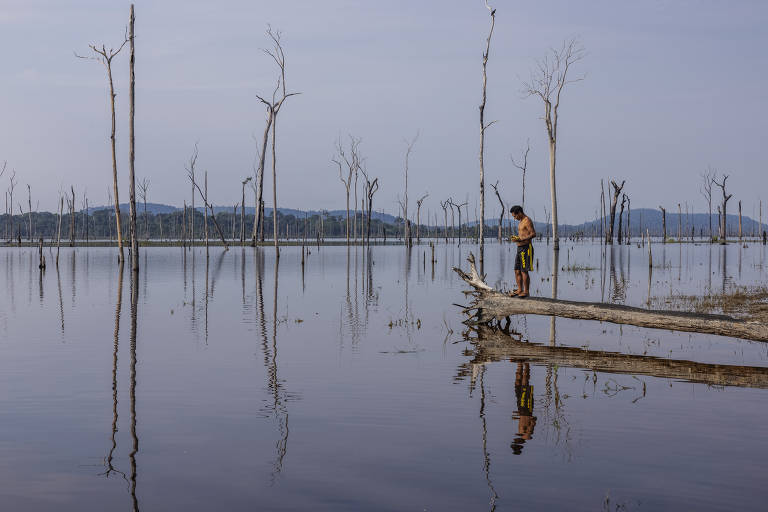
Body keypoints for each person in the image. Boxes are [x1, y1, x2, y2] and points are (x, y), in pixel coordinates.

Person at [509, 205, 535, 297]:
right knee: (517, 270)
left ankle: (526, 292)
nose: (515, 218)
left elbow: (533, 234)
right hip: (519, 249)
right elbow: (521, 235)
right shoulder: (520, 222)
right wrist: (517, 239)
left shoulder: (527, 221)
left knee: (524, 271)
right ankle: (520, 290)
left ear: (519, 212)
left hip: (526, 248)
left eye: (515, 216)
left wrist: (522, 239)